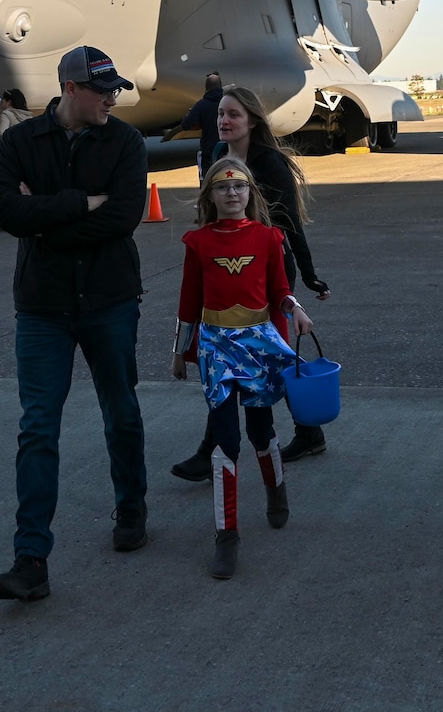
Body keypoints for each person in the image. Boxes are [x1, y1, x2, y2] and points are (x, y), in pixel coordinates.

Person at [0, 45, 150, 603]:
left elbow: (122, 217)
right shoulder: (18, 142)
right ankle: (31, 558)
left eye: (115, 89)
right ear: (70, 89)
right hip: (42, 309)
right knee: (37, 428)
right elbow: (6, 212)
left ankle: (131, 506)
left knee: (121, 411)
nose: (113, 97)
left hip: (109, 300)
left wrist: (46, 218)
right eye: (102, 89)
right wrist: (82, 203)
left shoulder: (124, 141)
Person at [170, 85, 332, 477]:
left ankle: (300, 429)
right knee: (227, 354)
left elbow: (291, 220)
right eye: (221, 114)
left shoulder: (268, 162)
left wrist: (308, 278)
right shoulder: (217, 157)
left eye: (233, 115)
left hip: (267, 268)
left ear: (252, 121)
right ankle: (236, 443)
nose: (224, 121)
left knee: (268, 354)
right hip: (223, 263)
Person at [171, 156, 316, 579]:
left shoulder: (270, 238)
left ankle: (275, 490)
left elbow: (280, 290)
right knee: (225, 442)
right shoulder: (197, 243)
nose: (232, 194)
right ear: (209, 195)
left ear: (250, 193)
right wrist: (181, 353)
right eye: (222, 187)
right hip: (216, 350)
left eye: (240, 187)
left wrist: (297, 310)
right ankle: (226, 535)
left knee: (260, 431)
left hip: (257, 347)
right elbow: (188, 303)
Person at [163, 72, 225, 176]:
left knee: (208, 179)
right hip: (228, 149)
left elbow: (186, 125)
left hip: (209, 150)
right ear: (220, 86)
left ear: (206, 87)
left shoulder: (202, 105)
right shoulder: (228, 102)